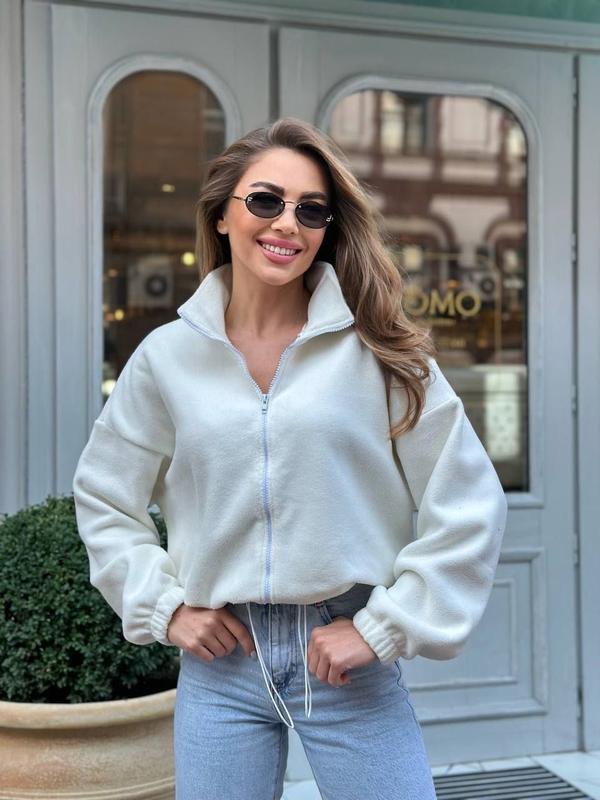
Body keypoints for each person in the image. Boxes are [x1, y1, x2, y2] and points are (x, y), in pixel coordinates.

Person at [72, 116, 508, 800]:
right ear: (222, 215)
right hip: (222, 666)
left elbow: (470, 500)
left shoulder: (380, 350)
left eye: (311, 210)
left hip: (345, 655)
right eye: (266, 200)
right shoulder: (167, 358)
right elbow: (104, 496)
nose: (287, 224)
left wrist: (385, 627)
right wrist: (165, 607)